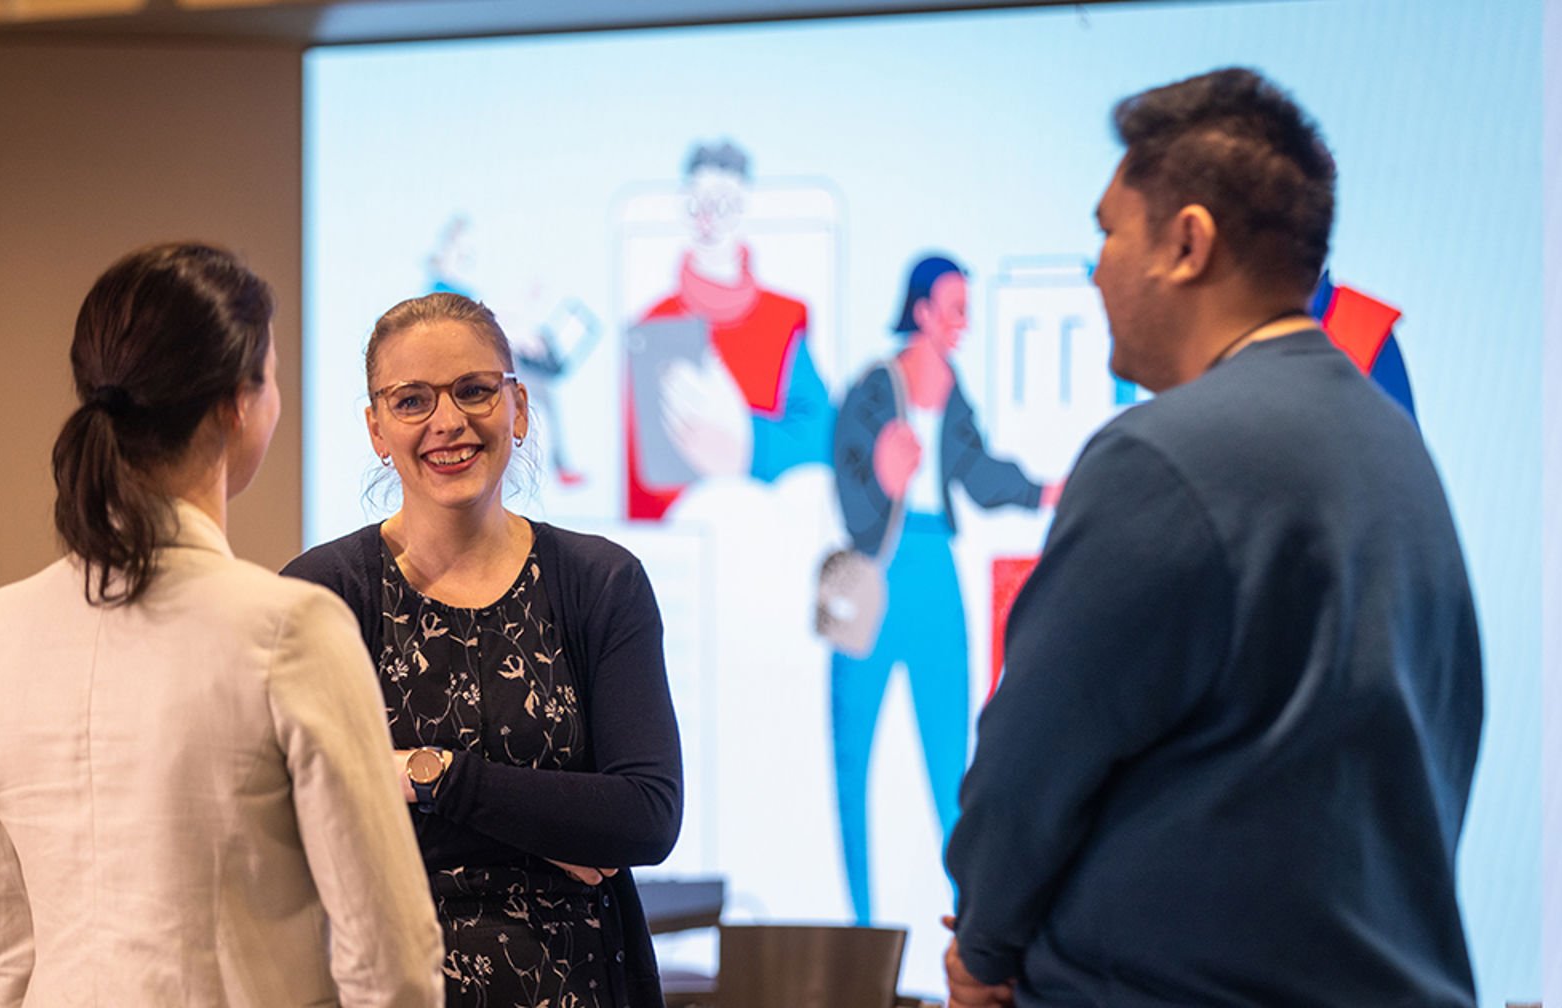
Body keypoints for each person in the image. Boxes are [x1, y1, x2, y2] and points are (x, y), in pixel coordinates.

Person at [943, 67, 1482, 1008]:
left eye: (1109, 232)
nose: (1095, 269)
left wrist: (984, 951)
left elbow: (1028, 769)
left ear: (1187, 242)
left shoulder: (1159, 457)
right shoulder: (1399, 454)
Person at [0, 242, 443, 1007]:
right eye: (272, 375)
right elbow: (392, 965)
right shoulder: (288, 626)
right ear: (236, 403)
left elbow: (9, 950)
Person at [283, 291, 683, 1008]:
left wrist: (424, 774)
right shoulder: (323, 594)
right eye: (412, 401)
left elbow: (645, 817)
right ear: (376, 429)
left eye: (473, 390)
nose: (448, 422)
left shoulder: (600, 581)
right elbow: (296, 817)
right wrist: (552, 826)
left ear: (519, 408)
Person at [827, 253, 1050, 925]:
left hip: (933, 572)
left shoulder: (953, 389)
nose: (963, 323)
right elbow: (845, 479)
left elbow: (977, 472)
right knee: (852, 761)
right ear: (921, 310)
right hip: (872, 571)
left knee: (952, 759)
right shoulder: (873, 386)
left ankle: (970, 930)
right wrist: (882, 482)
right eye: (954, 309)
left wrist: (1044, 491)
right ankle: (858, 931)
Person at [624, 139, 834, 520]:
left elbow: (819, 436)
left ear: (744, 206)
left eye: (722, 205)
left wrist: (747, 448)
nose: (708, 219)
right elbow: (639, 467)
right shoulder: (654, 323)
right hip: (684, 529)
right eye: (697, 205)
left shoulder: (785, 317)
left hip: (774, 526)